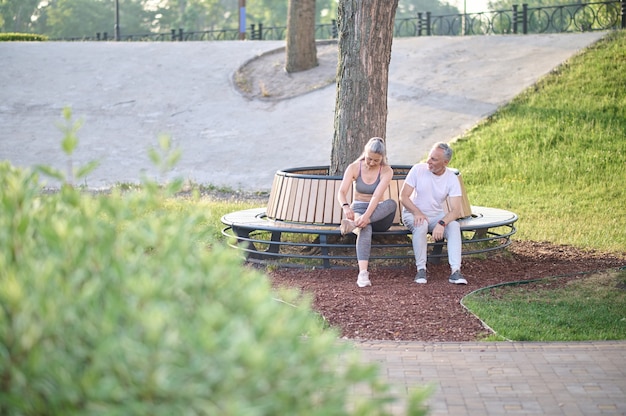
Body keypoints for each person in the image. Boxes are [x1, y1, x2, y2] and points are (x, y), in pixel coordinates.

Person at [399, 142, 467, 285]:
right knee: (421, 224)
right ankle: (421, 270)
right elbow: (403, 197)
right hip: (412, 213)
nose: (428, 162)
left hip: (436, 215)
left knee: (453, 226)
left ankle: (456, 271)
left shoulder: (451, 178)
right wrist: (417, 212)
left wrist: (442, 223)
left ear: (445, 162)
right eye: (429, 157)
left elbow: (455, 210)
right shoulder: (418, 170)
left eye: (434, 159)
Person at [337, 137, 397, 287]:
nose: (371, 163)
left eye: (376, 160)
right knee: (365, 228)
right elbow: (341, 192)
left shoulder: (386, 171)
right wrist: (346, 206)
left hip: (378, 212)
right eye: (369, 158)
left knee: (391, 203)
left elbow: (377, 196)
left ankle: (354, 225)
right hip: (358, 209)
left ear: (382, 158)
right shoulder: (354, 167)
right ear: (365, 152)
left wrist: (367, 217)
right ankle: (363, 273)